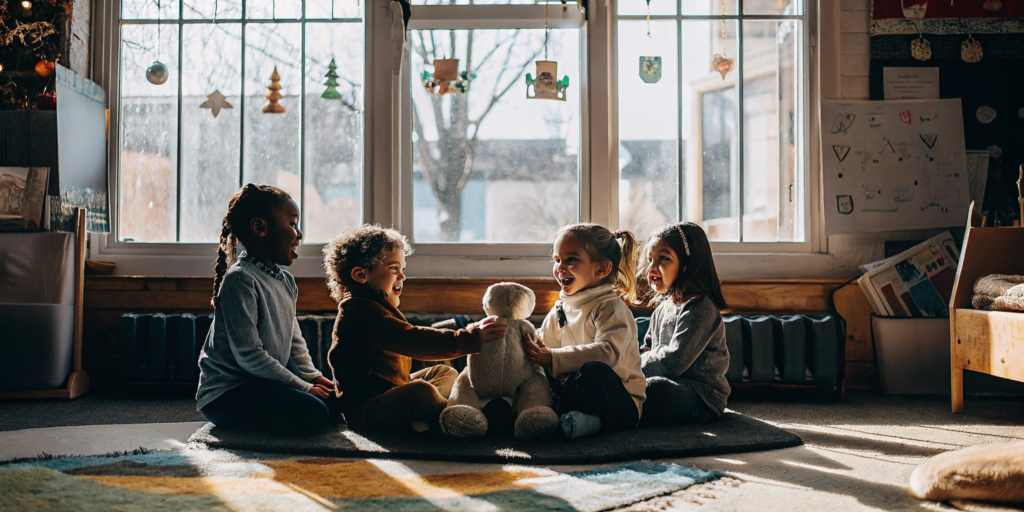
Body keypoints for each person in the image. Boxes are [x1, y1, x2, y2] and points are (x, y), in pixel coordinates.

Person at [324, 225, 507, 432]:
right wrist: (469, 338)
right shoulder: (359, 311)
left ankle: (422, 420)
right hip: (367, 408)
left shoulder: (375, 305)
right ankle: (456, 417)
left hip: (393, 388)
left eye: (402, 270)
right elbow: (412, 340)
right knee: (421, 392)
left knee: (443, 372)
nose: (402, 277)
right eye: (394, 269)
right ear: (360, 274)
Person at [195, 184, 333, 437]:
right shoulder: (240, 279)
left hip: (264, 382)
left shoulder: (285, 280)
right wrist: (303, 388)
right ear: (260, 227)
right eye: (292, 224)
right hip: (229, 393)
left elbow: (294, 340)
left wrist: (312, 377)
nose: (300, 234)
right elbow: (249, 356)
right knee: (314, 413)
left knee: (334, 401)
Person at [521, 223, 646, 440]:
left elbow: (607, 353)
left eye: (571, 260)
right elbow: (544, 345)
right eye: (557, 260)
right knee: (536, 375)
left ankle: (590, 422)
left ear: (602, 269)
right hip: (572, 388)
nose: (560, 268)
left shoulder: (610, 307)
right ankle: (568, 418)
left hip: (619, 401)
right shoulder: (560, 308)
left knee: (595, 372)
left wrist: (552, 358)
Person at [638, 222, 730, 426]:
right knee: (636, 387)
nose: (652, 267)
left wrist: (635, 366)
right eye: (650, 259)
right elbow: (647, 348)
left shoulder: (700, 307)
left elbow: (674, 362)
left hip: (701, 395)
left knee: (655, 389)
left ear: (687, 265)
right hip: (671, 381)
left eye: (664, 258)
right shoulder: (662, 308)